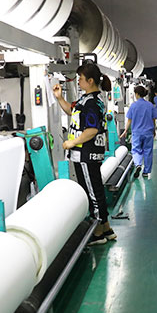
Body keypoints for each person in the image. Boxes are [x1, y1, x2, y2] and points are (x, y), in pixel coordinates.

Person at [53, 62, 115, 245]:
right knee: (95, 189)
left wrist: (72, 142)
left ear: (90, 81)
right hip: (84, 153)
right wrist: (59, 98)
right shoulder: (86, 100)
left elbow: (92, 130)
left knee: (92, 193)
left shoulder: (93, 103)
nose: (78, 81)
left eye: (80, 78)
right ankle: (106, 228)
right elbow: (72, 111)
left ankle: (97, 233)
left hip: (86, 154)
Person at [124, 86, 157, 179]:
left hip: (137, 132)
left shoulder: (133, 106)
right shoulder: (150, 105)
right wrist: (154, 130)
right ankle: (146, 171)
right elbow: (154, 119)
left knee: (136, 150)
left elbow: (129, 120)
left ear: (137, 94)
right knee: (148, 151)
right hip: (148, 132)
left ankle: (138, 164)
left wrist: (125, 130)